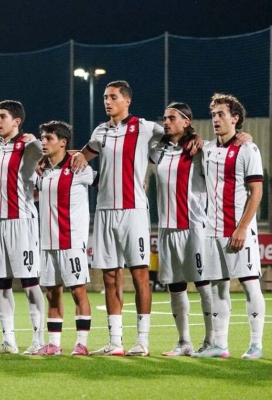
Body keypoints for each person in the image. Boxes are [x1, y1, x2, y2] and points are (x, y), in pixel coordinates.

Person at [73, 81, 172, 356]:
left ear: (127, 101)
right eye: (105, 97)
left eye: (113, 97)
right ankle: (115, 341)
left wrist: (195, 138)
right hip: (104, 211)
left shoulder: (145, 127)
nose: (107, 101)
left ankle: (142, 340)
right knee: (110, 277)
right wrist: (63, 157)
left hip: (134, 211)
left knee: (140, 275)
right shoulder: (100, 131)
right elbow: (82, 155)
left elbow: (176, 134)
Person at [194, 93, 265, 359]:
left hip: (238, 230)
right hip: (212, 230)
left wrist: (243, 228)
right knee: (217, 288)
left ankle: (256, 345)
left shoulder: (248, 149)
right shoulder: (207, 149)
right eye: (213, 114)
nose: (215, 119)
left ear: (235, 118)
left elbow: (256, 192)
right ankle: (220, 346)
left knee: (250, 285)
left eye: (221, 114)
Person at [149, 102, 214, 356]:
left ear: (186, 122)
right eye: (164, 118)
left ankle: (211, 341)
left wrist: (245, 136)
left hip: (194, 227)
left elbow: (225, 149)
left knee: (203, 284)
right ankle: (184, 342)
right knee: (175, 286)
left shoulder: (200, 150)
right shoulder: (159, 150)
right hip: (166, 228)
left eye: (171, 118)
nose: (166, 122)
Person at [0, 100, 45, 354]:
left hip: (22, 221)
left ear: (17, 121)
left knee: (30, 282)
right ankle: (8, 340)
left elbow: (56, 151)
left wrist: (38, 142)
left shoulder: (29, 145)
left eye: (2, 116)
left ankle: (38, 339)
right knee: (1, 283)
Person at [34, 121, 94, 356]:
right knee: (52, 293)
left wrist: (139, 182)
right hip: (47, 241)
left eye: (48, 138)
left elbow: (103, 180)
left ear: (63, 142)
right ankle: (54, 344)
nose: (43, 142)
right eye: (42, 138)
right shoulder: (42, 170)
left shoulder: (79, 167)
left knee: (78, 291)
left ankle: (82, 343)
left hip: (72, 241)